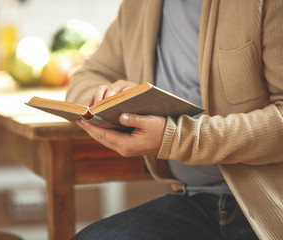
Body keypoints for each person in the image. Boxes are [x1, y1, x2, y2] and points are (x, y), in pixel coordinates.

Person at [66, 0, 283, 239]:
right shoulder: (138, 6)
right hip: (195, 201)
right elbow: (90, 74)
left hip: (271, 208)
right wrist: (104, 98)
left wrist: (175, 138)